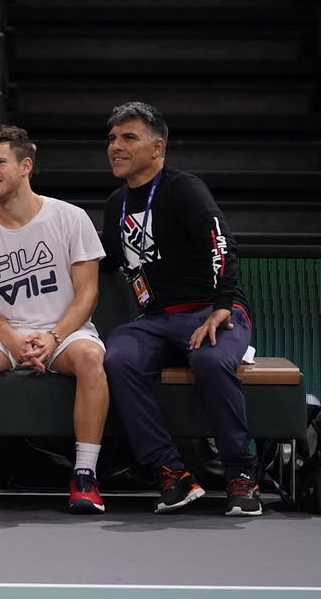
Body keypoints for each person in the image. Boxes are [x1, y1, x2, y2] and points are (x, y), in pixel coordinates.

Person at [0, 126, 110, 514]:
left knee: (91, 359)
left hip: (66, 331)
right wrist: (13, 340)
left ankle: (84, 476)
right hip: (6, 336)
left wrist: (53, 336)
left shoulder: (70, 218)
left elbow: (87, 295)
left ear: (26, 165)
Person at [100, 101, 261, 516]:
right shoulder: (115, 203)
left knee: (209, 362)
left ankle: (241, 476)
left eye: (128, 137)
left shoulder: (183, 187)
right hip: (155, 321)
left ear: (157, 148)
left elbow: (221, 241)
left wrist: (223, 304)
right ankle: (171, 472)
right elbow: (110, 264)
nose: (116, 146)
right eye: (112, 138)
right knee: (117, 357)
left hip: (211, 311)